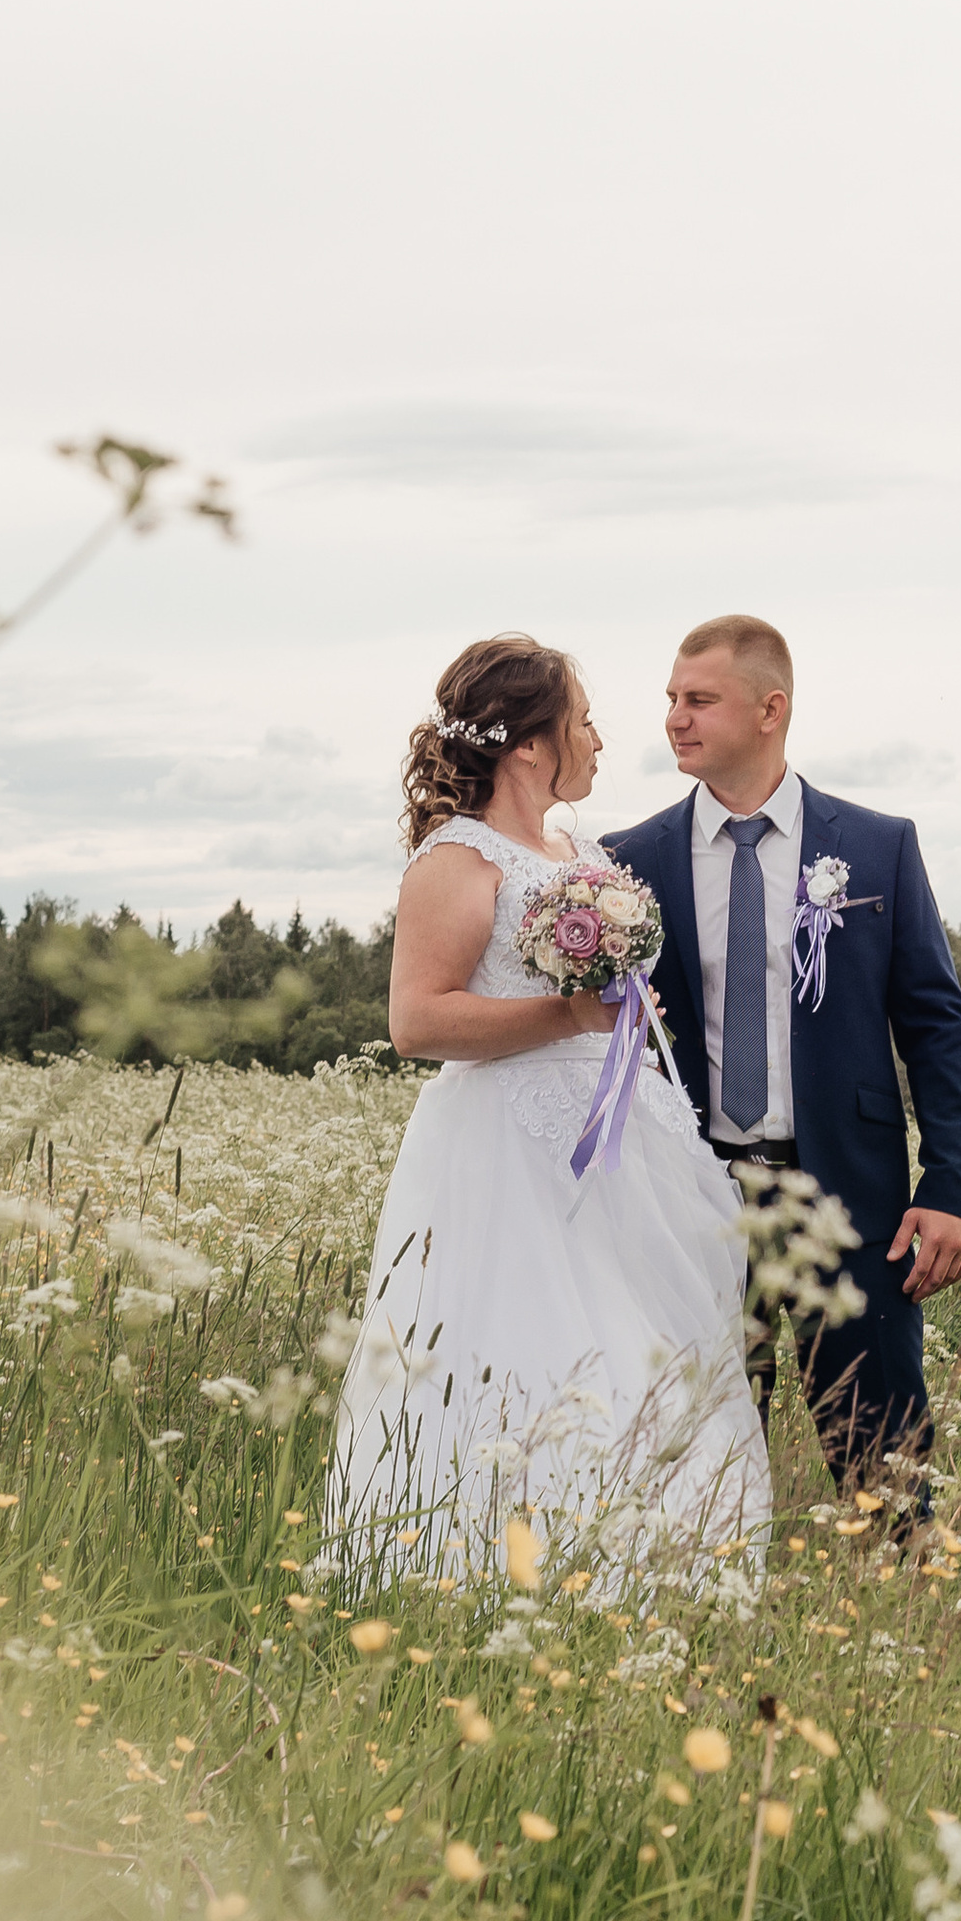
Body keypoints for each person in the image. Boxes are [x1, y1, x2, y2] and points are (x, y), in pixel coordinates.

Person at [328, 634, 770, 1583]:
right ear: (531, 744)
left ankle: (662, 1568)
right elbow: (418, 1021)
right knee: (539, 1355)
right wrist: (568, 1010)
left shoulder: (576, 850)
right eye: (583, 721)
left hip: (625, 1137)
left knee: (650, 1350)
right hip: (512, 1151)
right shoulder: (455, 859)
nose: (602, 739)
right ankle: (510, 1573)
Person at [604, 614, 961, 1520]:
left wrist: (951, 1188)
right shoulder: (628, 861)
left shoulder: (878, 845)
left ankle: (907, 1628)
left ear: (770, 710)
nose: (675, 719)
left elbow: (936, 1025)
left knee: (886, 1473)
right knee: (693, 1461)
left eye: (699, 700)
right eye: (670, 700)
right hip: (690, 1199)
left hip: (848, 1202)